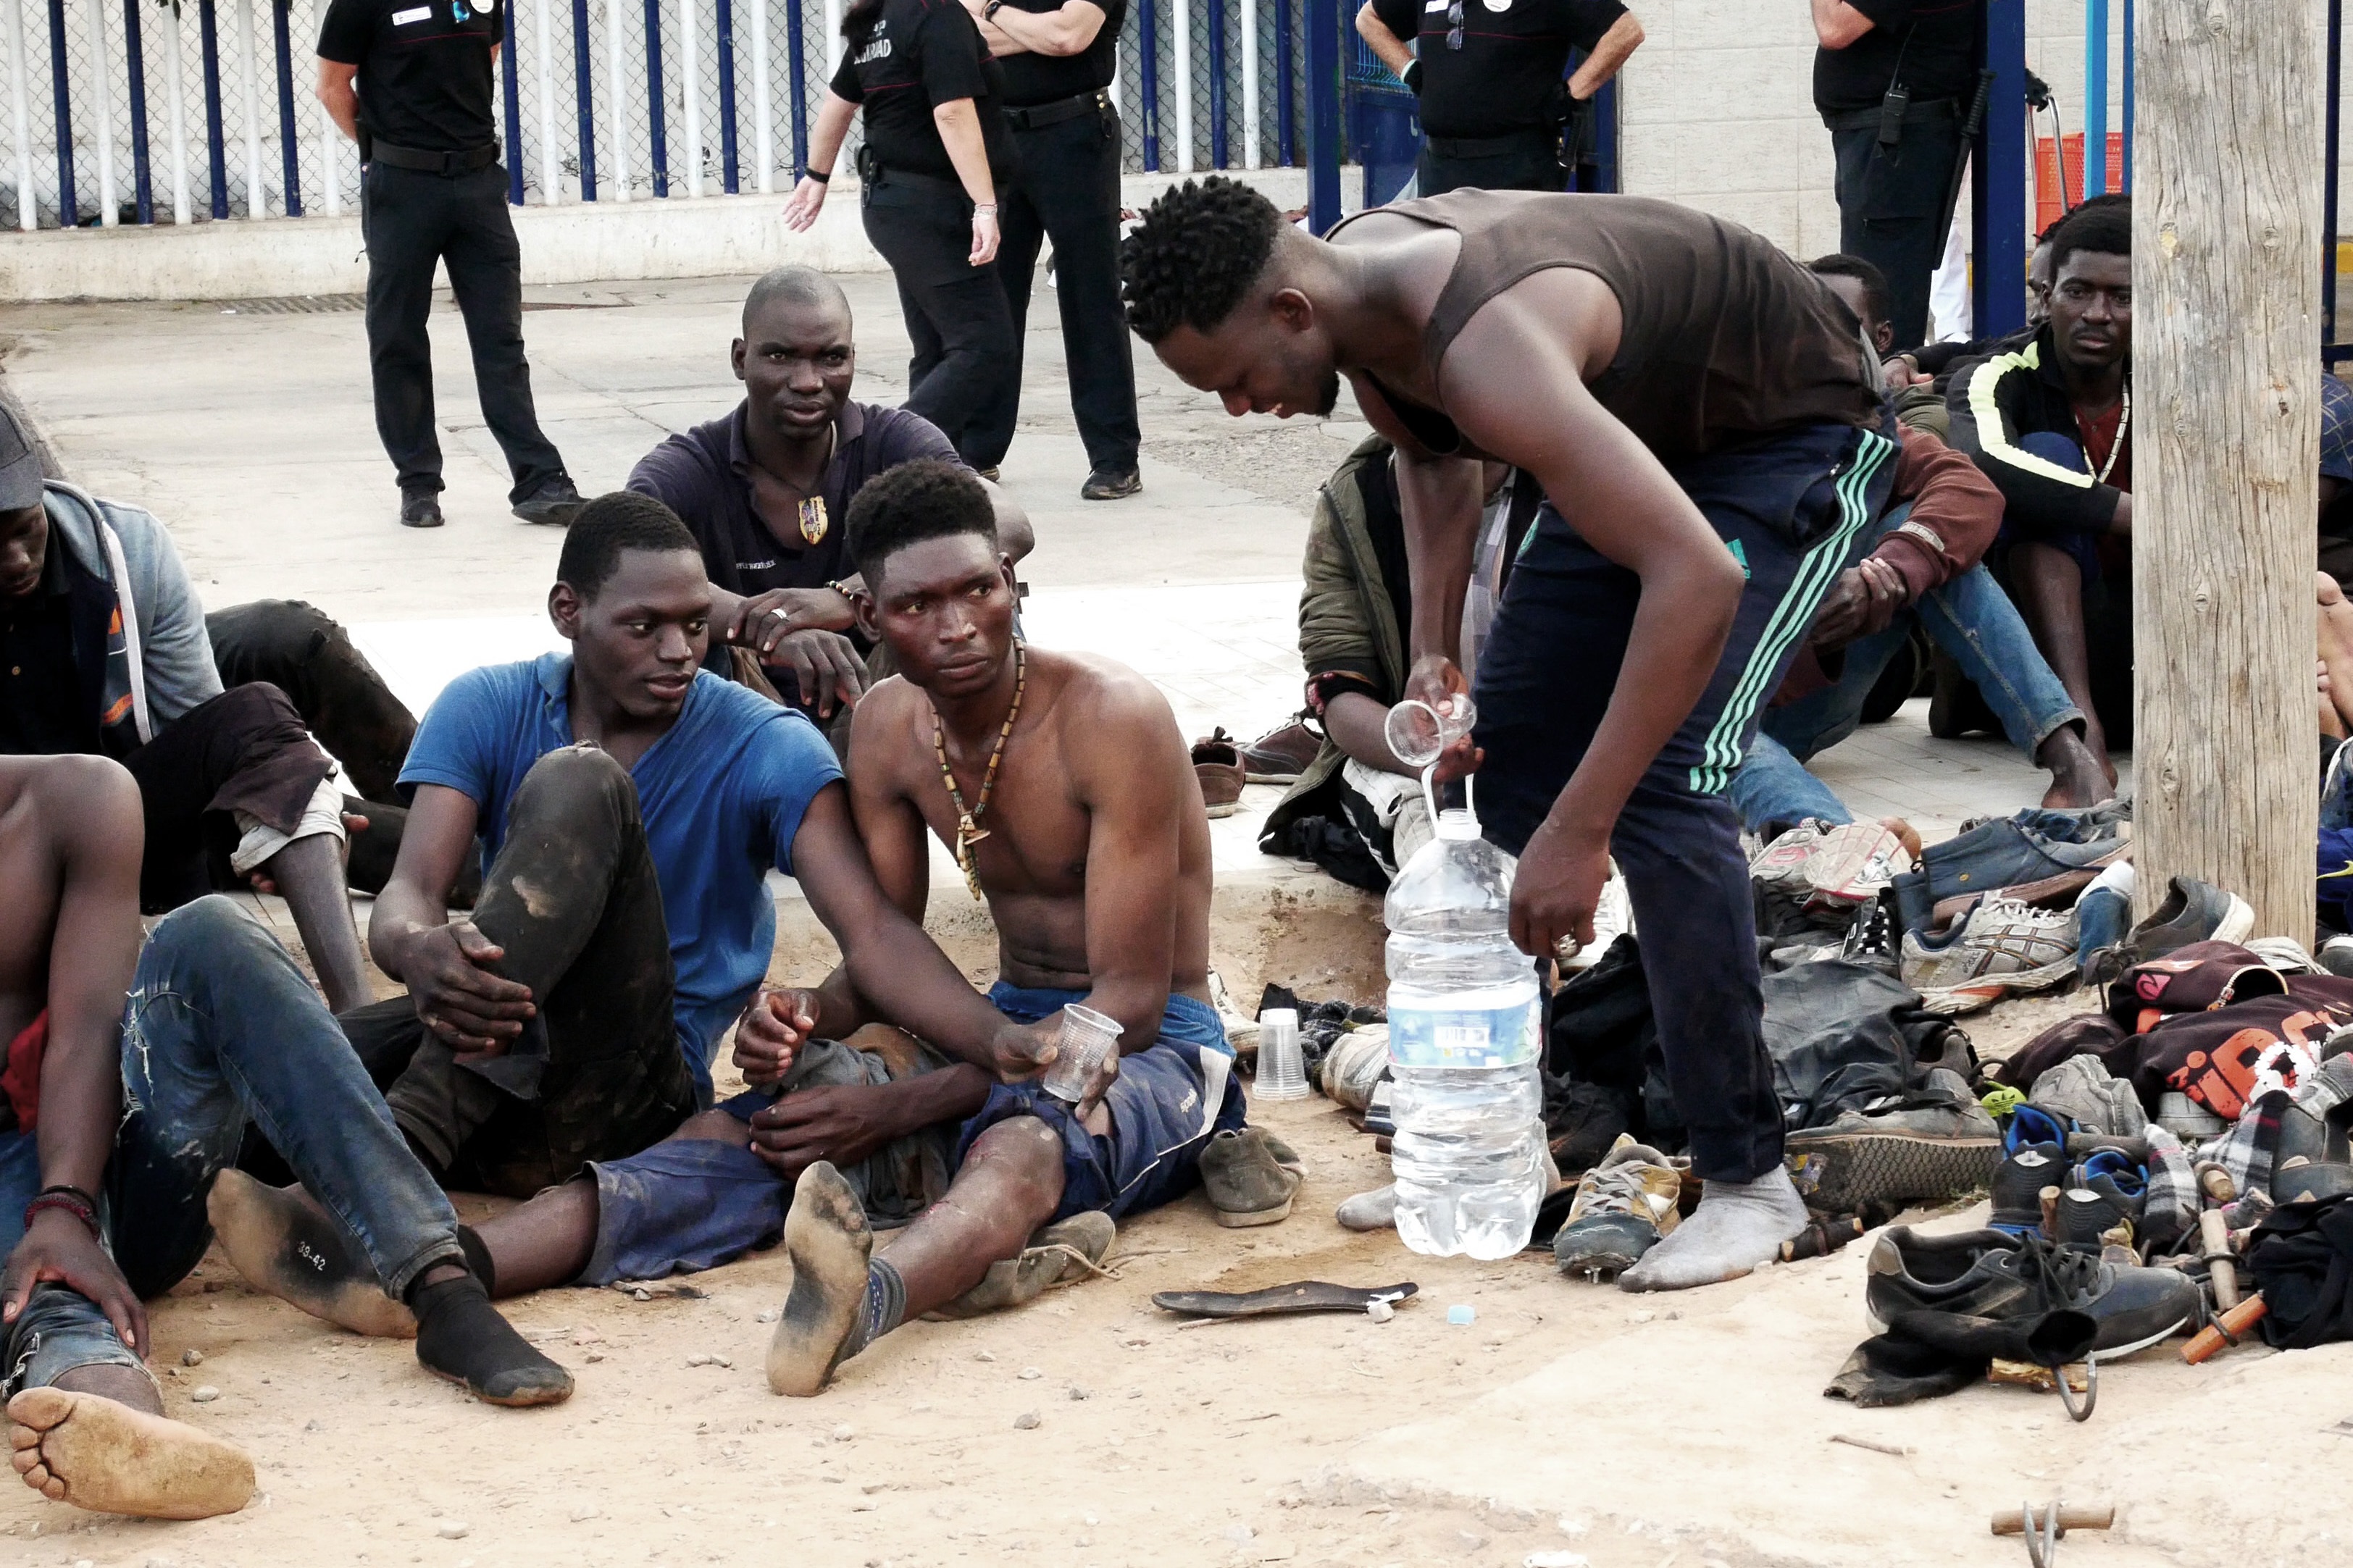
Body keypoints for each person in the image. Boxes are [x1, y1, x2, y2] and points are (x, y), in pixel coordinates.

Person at [217, 466, 1278, 1397]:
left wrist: (914, 1096)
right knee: (752, 1129)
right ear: (876, 619)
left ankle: (869, 1301)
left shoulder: (1113, 718)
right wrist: (800, 1020)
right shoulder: (887, 724)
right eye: (918, 604)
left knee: (1021, 1145)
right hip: (999, 1026)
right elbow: (882, 953)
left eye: (980, 591)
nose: (956, 624)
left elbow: (1124, 1008)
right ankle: (448, 1276)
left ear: (1014, 588)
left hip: (1150, 1045)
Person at [1124, 176, 1889, 1290]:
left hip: (1788, 438)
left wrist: (1581, 836)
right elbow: (1431, 456)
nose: (1240, 409)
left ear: (1291, 312)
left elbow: (1698, 573)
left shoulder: (1487, 342)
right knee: (1502, 769)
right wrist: (1436, 644)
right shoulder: (1359, 306)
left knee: (1666, 786)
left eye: (1235, 381)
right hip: (1630, 435)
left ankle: (1746, 1180)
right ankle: (1502, 1143)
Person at [333, 490, 1048, 1208]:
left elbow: (875, 931)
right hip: (495, 1050)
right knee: (275, 1041)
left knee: (581, 781)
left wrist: (1001, 1041)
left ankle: (394, 1160)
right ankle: (385, 1145)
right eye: (644, 626)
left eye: (694, 625)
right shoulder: (488, 702)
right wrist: (415, 948)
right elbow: (414, 890)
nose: (677, 651)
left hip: (626, 1098)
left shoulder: (763, 743)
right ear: (567, 611)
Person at [0, 757, 566, 1525]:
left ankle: (441, 1286)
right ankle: (120, 1419)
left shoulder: (75, 797)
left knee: (211, 932)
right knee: (43, 1295)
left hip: (98, 1155)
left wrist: (63, 1203)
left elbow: (90, 1031)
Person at [0, 411, 372, 1015]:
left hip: (123, 819)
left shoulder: (130, 551)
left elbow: (209, 743)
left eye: (26, 528)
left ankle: (357, 1016)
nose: (17, 558)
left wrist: (279, 817)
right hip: (15, 849)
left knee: (270, 739)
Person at [627, 267, 1033, 730]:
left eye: (831, 358)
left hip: (890, 706)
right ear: (740, 359)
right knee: (659, 639)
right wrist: (770, 629)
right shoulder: (687, 468)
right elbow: (631, 563)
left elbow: (1008, 524)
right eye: (781, 356)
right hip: (740, 717)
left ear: (853, 359)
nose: (807, 381)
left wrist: (854, 597)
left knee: (987, 608)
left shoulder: (895, 443)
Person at [315, 0, 585, 530]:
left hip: (479, 184)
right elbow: (332, 87)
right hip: (403, 187)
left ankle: (540, 479)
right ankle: (418, 483)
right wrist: (380, 149)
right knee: (398, 338)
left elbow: (483, 57)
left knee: (500, 338)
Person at [1261, 435, 1542, 886]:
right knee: (1428, 833)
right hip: (1402, 763)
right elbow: (1335, 686)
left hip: (1544, 752)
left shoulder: (1570, 483)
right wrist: (1422, 757)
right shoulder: (1358, 498)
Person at [783, 0, 1020, 474]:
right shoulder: (937, 15)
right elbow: (952, 112)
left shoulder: (882, 17)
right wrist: (986, 204)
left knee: (936, 348)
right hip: (934, 209)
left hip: (895, 206)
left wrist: (817, 174)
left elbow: (838, 101)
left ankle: (930, 472)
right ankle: (876, 461)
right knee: (983, 345)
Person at [966, 0, 1144, 500]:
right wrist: (1037, 33)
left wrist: (997, 12)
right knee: (994, 297)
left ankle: (1115, 459)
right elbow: (964, 36)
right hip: (999, 136)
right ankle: (979, 449)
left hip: (1076, 135)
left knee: (1091, 296)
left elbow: (1071, 37)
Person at [1810, 0, 1985, 352]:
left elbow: (1835, 26)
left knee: (1879, 303)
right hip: (1894, 137)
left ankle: (1888, 397)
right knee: (1883, 292)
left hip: (1898, 141)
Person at [1355, 0, 1643, 196]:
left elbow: (1626, 32)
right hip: (1440, 169)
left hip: (1516, 169)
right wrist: (1411, 71)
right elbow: (1369, 19)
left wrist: (1569, 95)